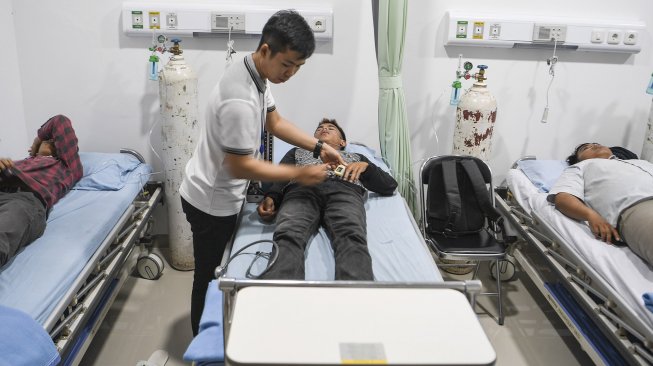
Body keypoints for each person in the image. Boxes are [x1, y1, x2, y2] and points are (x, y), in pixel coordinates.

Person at [179, 10, 345, 335]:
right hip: (210, 202)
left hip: (216, 189)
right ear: (266, 50)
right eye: (287, 65)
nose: (292, 73)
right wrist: (300, 174)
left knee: (213, 273)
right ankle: (203, 346)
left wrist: (317, 148)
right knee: (209, 278)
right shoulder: (239, 100)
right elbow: (238, 164)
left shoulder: (255, 72)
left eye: (298, 67)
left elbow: (275, 122)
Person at [257, 118, 398, 280]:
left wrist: (368, 168)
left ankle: (356, 297)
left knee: (351, 235)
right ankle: (282, 297)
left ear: (342, 142)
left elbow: (390, 186)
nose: (324, 129)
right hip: (301, 189)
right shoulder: (297, 152)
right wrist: (272, 197)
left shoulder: (357, 157)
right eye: (320, 128)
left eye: (331, 128)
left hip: (344, 190)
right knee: (288, 234)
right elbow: (281, 177)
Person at [548, 142, 653, 265]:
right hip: (637, 206)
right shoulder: (581, 167)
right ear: (578, 159)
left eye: (596, 144)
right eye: (586, 148)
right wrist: (591, 215)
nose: (593, 146)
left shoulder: (641, 162)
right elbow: (563, 198)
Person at [0, 115, 82, 267]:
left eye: (53, 140)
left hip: (24, 199)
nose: (51, 140)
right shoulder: (19, 162)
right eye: (48, 139)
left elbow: (59, 121)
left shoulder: (67, 166)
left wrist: (37, 140)